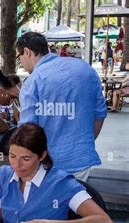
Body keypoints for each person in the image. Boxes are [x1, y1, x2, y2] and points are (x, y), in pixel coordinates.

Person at [15, 32, 107, 181]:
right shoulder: (85, 69)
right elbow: (100, 113)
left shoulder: (32, 81)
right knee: (78, 202)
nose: (21, 64)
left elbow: (27, 130)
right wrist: (82, 142)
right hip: (81, 162)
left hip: (46, 167)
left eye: (19, 57)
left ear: (27, 52)